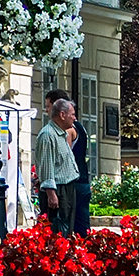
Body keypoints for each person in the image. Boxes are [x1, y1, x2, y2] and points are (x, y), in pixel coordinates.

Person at [33, 99, 84, 236]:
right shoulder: (48, 135)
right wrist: (51, 194)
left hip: (67, 189)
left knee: (67, 232)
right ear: (62, 115)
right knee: (57, 232)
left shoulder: (61, 134)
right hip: (58, 191)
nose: (74, 118)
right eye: (72, 114)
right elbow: (47, 165)